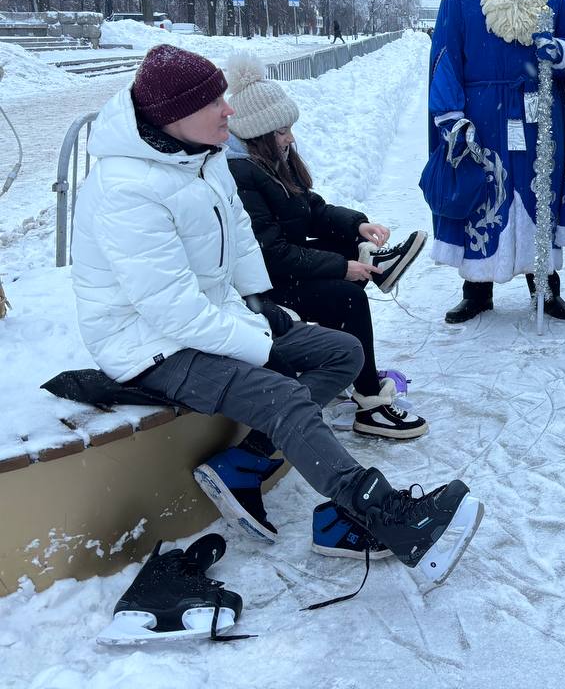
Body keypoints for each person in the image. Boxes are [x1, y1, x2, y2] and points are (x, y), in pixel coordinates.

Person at [70, 44, 483, 575]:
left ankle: (246, 462)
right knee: (284, 393)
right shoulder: (126, 190)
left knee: (342, 352)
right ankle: (382, 514)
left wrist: (262, 308)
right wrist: (262, 346)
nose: (229, 112)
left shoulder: (203, 157)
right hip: (150, 343)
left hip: (212, 319)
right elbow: (171, 312)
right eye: (215, 103)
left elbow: (241, 240)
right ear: (173, 116)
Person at [223, 52, 428, 440]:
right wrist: (340, 267)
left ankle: (374, 262)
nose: (291, 137)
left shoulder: (270, 159)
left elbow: (311, 210)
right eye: (282, 130)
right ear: (259, 132)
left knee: (344, 244)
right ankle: (370, 403)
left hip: (278, 268)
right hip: (258, 287)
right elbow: (271, 253)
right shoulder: (242, 175)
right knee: (346, 296)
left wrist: (358, 225)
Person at [423, 0, 565, 323]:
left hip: (539, 111)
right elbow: (444, 57)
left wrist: (563, 52)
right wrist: (450, 116)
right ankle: (477, 291)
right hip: (483, 116)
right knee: (483, 189)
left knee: (541, 191)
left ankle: (547, 288)